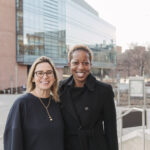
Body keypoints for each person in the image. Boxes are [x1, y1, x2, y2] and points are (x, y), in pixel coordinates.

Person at [59, 45, 118, 150]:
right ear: (69, 64)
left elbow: (111, 130)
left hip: (96, 145)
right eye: (76, 63)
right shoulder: (60, 89)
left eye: (85, 63)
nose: (81, 67)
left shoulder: (104, 91)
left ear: (91, 65)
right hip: (69, 146)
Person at [4, 56, 64, 150]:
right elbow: (13, 143)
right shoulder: (21, 104)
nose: (45, 76)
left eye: (49, 72)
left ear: (54, 77)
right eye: (40, 73)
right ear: (32, 78)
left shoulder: (57, 103)